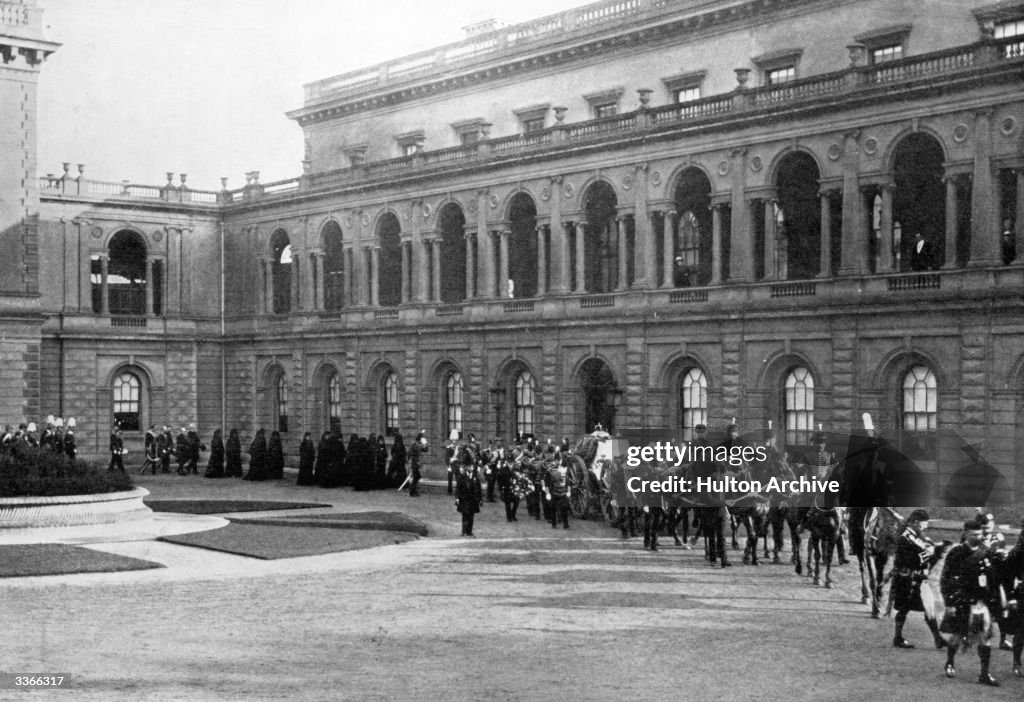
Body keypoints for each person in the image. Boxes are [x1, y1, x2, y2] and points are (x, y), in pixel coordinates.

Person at [939, 516, 1001, 686]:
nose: (977, 537)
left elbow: (992, 578)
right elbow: (946, 579)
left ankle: (984, 673)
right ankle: (950, 662)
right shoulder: (956, 553)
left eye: (979, 534)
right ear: (965, 534)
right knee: (957, 636)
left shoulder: (986, 552)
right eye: (973, 534)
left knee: (985, 637)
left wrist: (994, 602)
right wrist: (949, 603)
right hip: (962, 601)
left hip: (981, 602)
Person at [891, 509, 947, 650]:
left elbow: (925, 559)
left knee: (928, 607)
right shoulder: (906, 537)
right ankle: (898, 637)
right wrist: (934, 553)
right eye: (924, 523)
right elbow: (914, 560)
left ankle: (937, 639)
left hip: (918, 577)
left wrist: (937, 553)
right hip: (908, 577)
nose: (926, 526)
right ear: (916, 522)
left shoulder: (916, 535)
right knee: (905, 607)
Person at [455, 453, 482, 537]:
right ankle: (463, 531)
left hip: (473, 499)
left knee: (471, 515)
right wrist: (457, 498)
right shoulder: (462, 476)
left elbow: (479, 488)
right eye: (470, 466)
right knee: (464, 515)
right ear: (466, 467)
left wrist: (480, 499)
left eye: (472, 466)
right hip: (464, 498)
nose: (471, 468)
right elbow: (458, 488)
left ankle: (469, 531)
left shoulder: (475, 477)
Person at [543, 450, 571, 530]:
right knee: (553, 508)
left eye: (559, 460)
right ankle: (553, 523)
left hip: (563, 493)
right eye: (557, 460)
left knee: (565, 508)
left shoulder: (566, 471)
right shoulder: (550, 471)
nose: (558, 462)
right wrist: (547, 493)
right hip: (554, 492)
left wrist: (569, 491)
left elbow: (568, 482)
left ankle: (565, 524)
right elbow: (547, 484)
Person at [408, 431, 425, 497]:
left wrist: (425, 443)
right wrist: (411, 460)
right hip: (414, 463)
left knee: (416, 477)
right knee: (417, 477)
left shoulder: (419, 444)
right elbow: (410, 453)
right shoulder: (414, 445)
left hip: (418, 464)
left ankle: (414, 491)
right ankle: (412, 491)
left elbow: (426, 449)